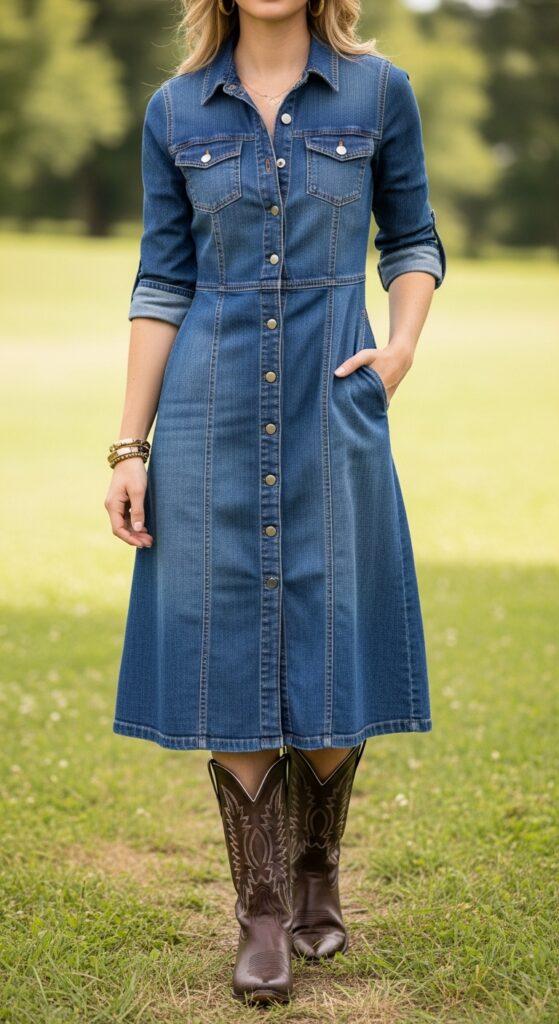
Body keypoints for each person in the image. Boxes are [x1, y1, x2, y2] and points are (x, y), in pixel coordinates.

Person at [104, 0, 446, 1007]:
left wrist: (399, 348)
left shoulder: (380, 92)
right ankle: (259, 911)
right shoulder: (174, 111)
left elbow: (414, 237)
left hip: (330, 401)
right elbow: (161, 279)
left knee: (331, 628)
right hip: (209, 406)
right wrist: (131, 442)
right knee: (226, 642)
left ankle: (314, 873)